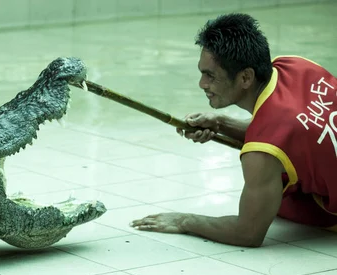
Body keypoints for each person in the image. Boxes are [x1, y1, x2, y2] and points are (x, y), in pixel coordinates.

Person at [130, 13, 337, 247]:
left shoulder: (262, 153)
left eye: (210, 76)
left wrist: (184, 220)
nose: (202, 84)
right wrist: (220, 123)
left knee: (279, 197)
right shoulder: (296, 65)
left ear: (246, 77)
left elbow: (248, 233)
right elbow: (293, 131)